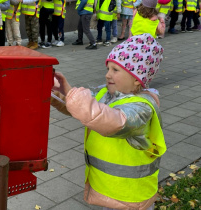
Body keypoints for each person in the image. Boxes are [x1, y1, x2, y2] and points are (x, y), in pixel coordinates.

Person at [51, 33, 166, 210]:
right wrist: (61, 94)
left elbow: (112, 121)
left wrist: (76, 97)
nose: (107, 75)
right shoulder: (108, 94)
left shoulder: (142, 108)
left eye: (115, 70)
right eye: (107, 69)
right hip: (111, 191)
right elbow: (89, 112)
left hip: (131, 195)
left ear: (137, 78)